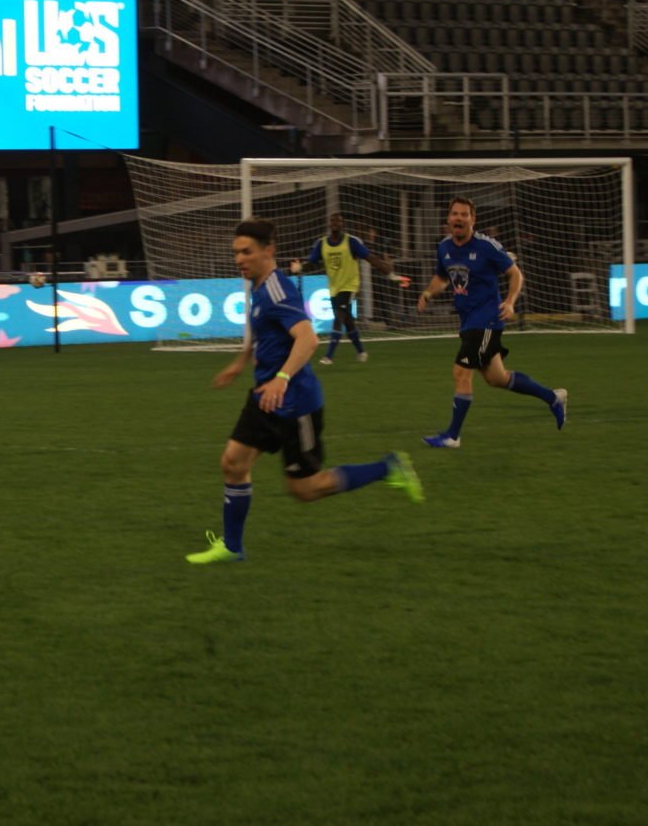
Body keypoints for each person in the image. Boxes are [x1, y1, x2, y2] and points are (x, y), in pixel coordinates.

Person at [187, 218, 424, 565]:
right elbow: (262, 331)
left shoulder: (278, 290)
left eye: (246, 252)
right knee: (232, 463)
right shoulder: (259, 286)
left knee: (305, 489)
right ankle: (232, 547)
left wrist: (282, 377)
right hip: (265, 396)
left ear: (269, 251)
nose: (239, 259)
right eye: (236, 252)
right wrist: (241, 362)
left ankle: (388, 468)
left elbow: (308, 338)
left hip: (296, 404)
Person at [415, 196, 567, 449]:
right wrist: (428, 292)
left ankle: (453, 435)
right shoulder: (443, 248)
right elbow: (442, 277)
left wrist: (509, 302)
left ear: (473, 220)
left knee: (461, 372)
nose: (459, 219)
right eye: (455, 214)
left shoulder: (487, 247)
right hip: (468, 321)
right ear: (448, 219)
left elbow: (515, 273)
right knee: (497, 378)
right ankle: (553, 397)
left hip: (486, 320)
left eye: (465, 215)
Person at [289, 213, 410, 365]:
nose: (336, 224)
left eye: (339, 222)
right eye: (333, 222)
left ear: (342, 225)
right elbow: (312, 263)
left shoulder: (352, 242)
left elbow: (371, 259)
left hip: (350, 286)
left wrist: (391, 275)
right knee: (347, 320)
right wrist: (299, 267)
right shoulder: (322, 244)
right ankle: (361, 351)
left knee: (339, 316)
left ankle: (328, 356)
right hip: (334, 287)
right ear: (329, 225)